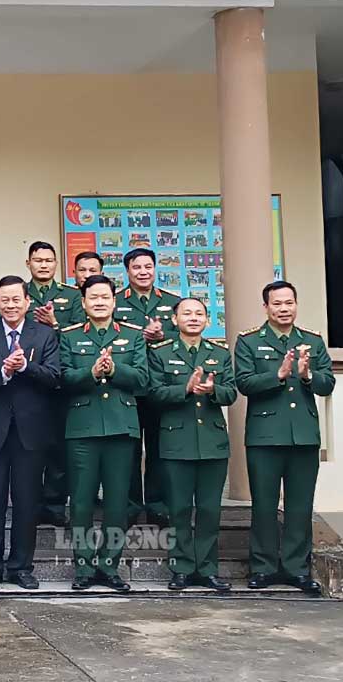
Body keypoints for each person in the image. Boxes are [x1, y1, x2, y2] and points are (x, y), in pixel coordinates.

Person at [235, 281, 335, 594]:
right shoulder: (250, 341)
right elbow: (244, 383)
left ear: (296, 304)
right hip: (265, 436)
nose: (284, 309)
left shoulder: (312, 341)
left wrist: (307, 376)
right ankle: (263, 568)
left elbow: (327, 383)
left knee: (300, 506)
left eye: (289, 303)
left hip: (303, 435)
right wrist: (277, 375)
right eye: (277, 304)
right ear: (266, 306)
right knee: (264, 505)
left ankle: (297, 569)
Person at [0, 275, 60, 589]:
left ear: (27, 301)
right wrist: (3, 372)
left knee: (26, 501)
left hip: (31, 431)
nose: (10, 305)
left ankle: (21, 567)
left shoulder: (44, 335)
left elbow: (54, 377)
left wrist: (25, 368)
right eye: (4, 299)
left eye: (16, 299)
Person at [60, 274, 149, 592]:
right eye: (92, 297)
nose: (99, 302)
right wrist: (90, 372)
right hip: (82, 429)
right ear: (83, 303)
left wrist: (115, 370)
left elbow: (142, 379)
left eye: (104, 297)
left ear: (114, 301)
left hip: (120, 429)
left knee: (116, 504)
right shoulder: (69, 336)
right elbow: (63, 377)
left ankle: (109, 566)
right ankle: (83, 568)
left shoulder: (132, 336)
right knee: (81, 502)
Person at [147, 297, 235, 592]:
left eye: (199, 314)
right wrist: (184, 388)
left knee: (210, 510)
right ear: (175, 319)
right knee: (180, 509)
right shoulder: (161, 352)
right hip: (176, 440)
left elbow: (232, 391)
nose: (193, 318)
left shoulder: (219, 353)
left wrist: (214, 391)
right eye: (187, 313)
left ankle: (207, 569)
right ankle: (182, 567)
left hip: (212, 441)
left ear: (208, 321)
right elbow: (153, 392)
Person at [115, 247, 180, 527]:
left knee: (158, 448)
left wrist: (163, 334)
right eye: (137, 267)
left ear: (155, 269)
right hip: (127, 387)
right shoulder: (115, 302)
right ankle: (129, 507)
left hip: (160, 386)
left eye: (148, 267)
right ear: (127, 271)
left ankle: (158, 505)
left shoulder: (172, 302)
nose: (143, 272)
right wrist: (138, 336)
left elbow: (183, 337)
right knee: (128, 452)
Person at [26, 241, 84, 527]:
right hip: (29, 382)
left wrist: (55, 323)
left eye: (49, 260)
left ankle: (55, 502)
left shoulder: (72, 296)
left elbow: (77, 337)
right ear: (28, 264)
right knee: (31, 445)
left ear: (56, 264)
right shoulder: (20, 295)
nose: (44, 265)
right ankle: (32, 501)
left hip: (60, 381)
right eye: (38, 260)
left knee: (59, 446)